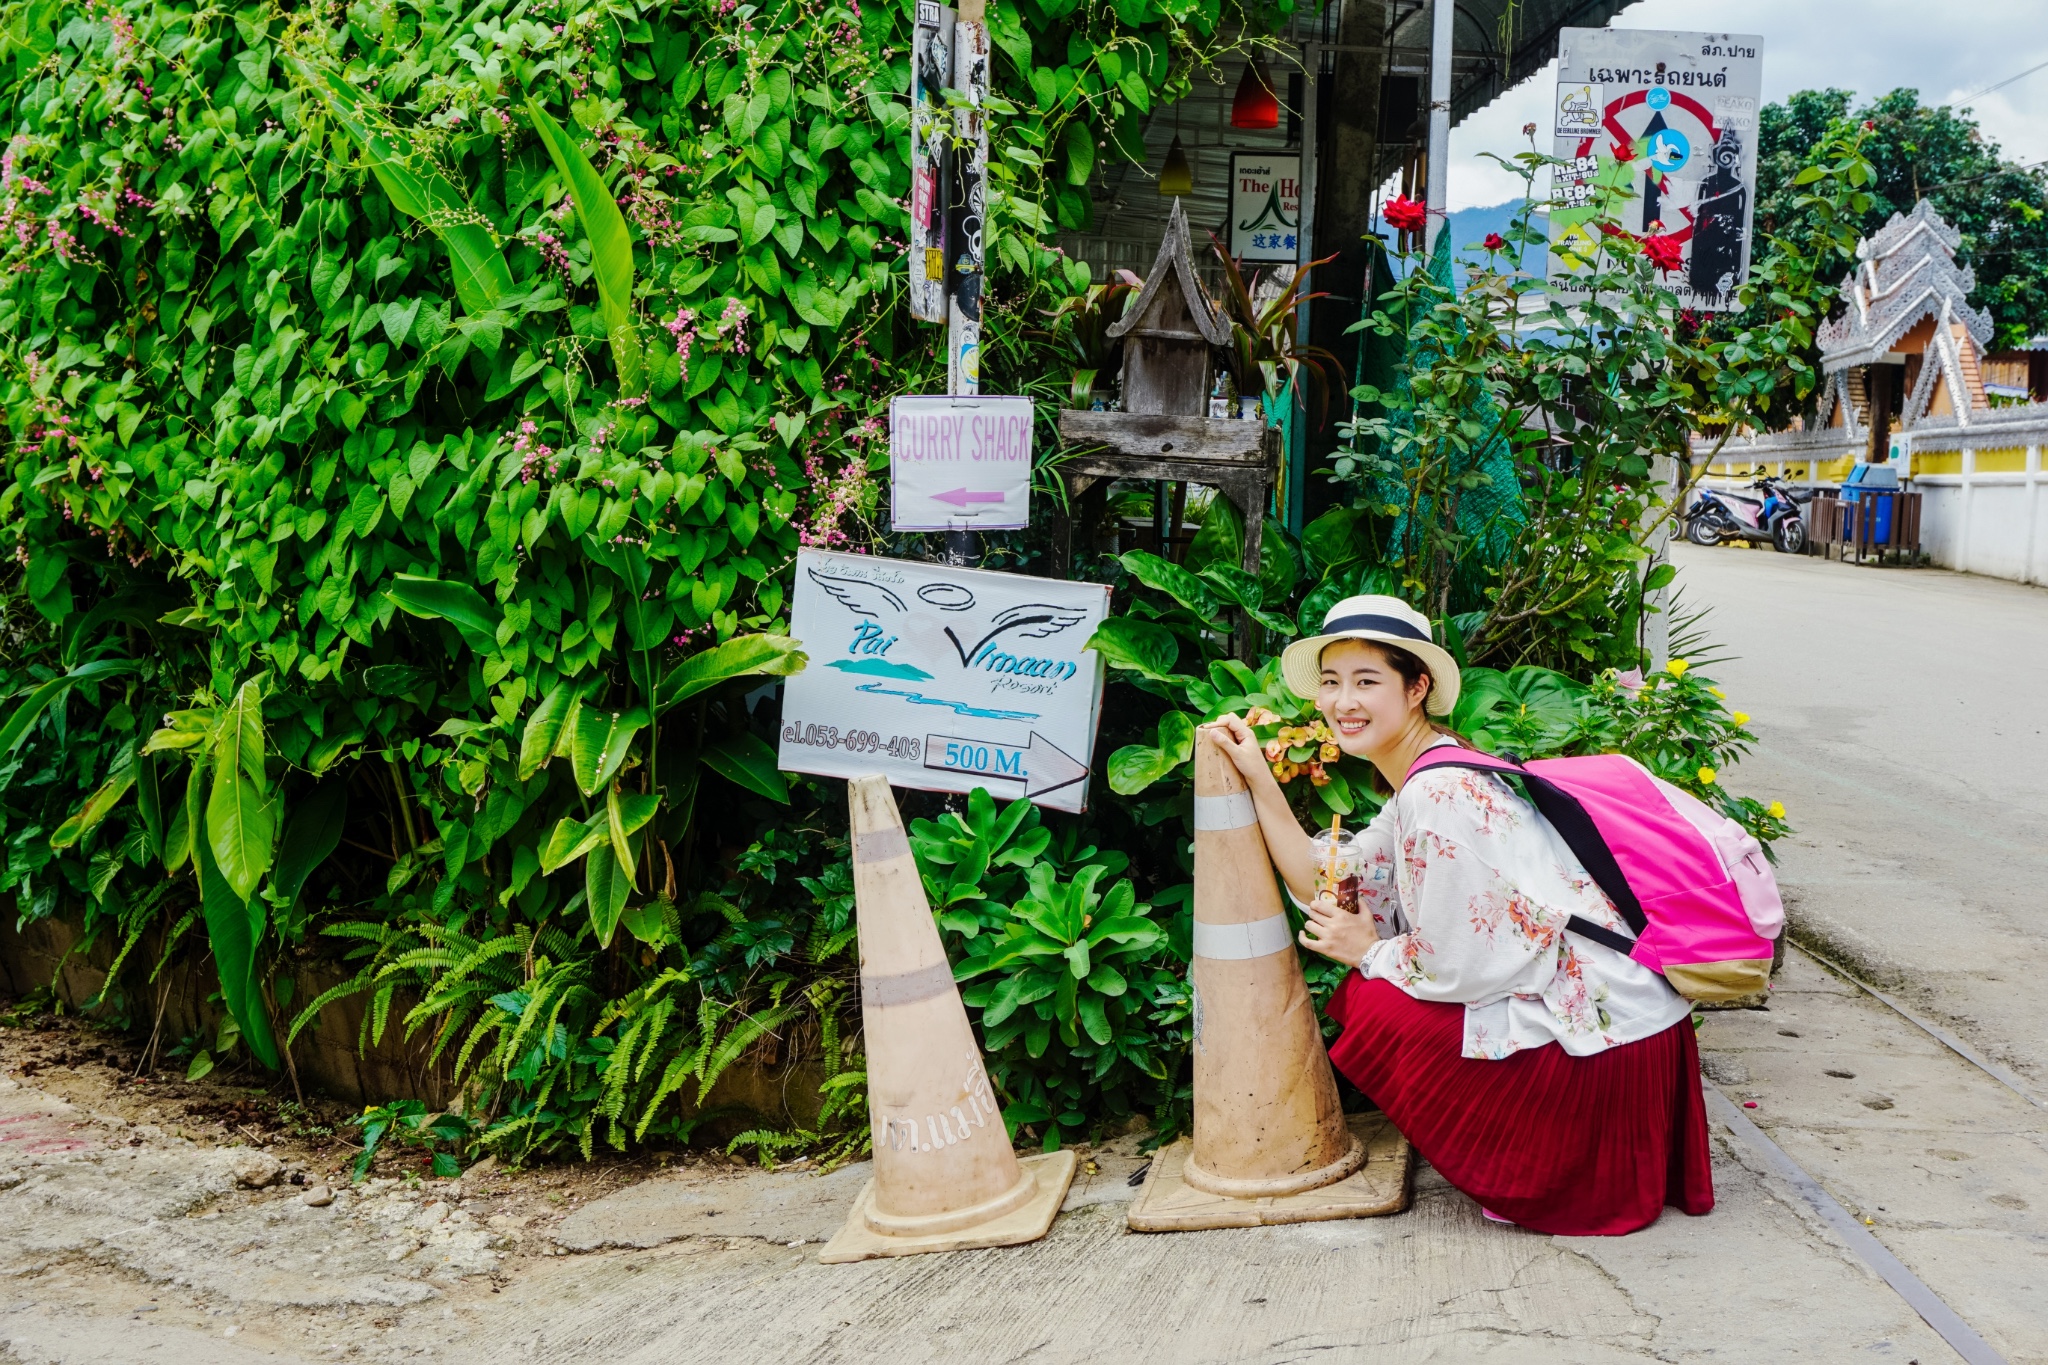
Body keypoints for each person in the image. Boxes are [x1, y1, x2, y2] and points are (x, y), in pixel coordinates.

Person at [1202, 594, 1713, 1235]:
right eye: (1331, 682)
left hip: (1605, 1051)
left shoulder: (1439, 793)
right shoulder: (1428, 773)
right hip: (1632, 1027)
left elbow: (1464, 965)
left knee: (1373, 1002)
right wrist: (1259, 775)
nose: (1343, 702)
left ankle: (1535, 1168)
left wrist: (1370, 951)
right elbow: (1330, 880)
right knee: (1375, 987)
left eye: (1367, 682)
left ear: (1416, 688)